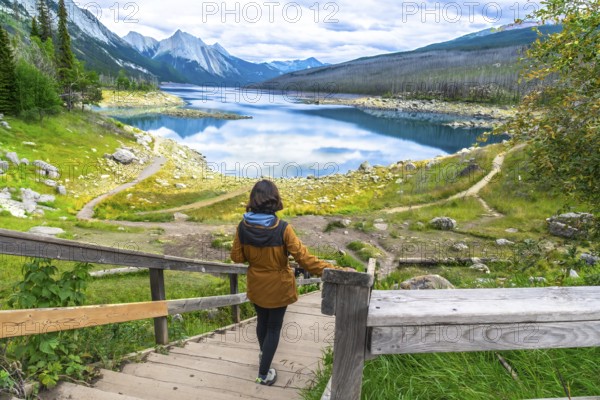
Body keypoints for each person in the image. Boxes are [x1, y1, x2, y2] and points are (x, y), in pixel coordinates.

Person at [230, 179, 343, 386]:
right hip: (278, 286)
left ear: (253, 199)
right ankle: (263, 374)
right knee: (273, 328)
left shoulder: (242, 226)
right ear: (274, 199)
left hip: (256, 284)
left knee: (262, 322)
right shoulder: (283, 228)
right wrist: (337, 270)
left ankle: (264, 358)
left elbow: (237, 258)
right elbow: (305, 259)